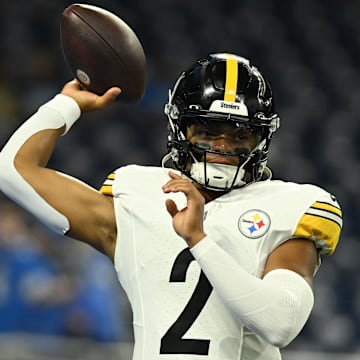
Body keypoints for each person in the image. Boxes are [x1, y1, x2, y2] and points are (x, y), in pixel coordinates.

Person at [0, 53, 342, 359]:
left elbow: (281, 324)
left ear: (262, 139)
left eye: (240, 134)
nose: (222, 147)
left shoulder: (289, 205)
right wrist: (67, 104)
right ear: (180, 129)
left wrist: (200, 240)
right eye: (208, 131)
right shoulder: (139, 195)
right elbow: (12, 171)